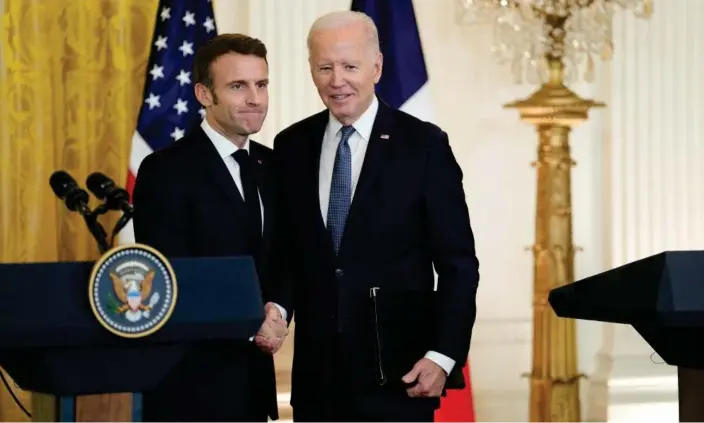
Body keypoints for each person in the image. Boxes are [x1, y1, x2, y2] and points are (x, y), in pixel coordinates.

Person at [270, 10, 480, 423]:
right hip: (318, 380)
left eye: (350, 66)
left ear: (377, 67)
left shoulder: (423, 146)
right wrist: (277, 309)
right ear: (311, 69)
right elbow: (289, 251)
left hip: (400, 376)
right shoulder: (291, 145)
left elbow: (458, 265)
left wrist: (442, 356)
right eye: (325, 67)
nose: (337, 80)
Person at [133, 33, 288, 422]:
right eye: (238, 86)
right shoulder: (164, 170)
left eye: (262, 84)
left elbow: (286, 256)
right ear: (204, 95)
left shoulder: (275, 167)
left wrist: (280, 312)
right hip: (190, 386)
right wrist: (250, 324)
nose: (255, 98)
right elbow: (172, 274)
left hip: (255, 382)